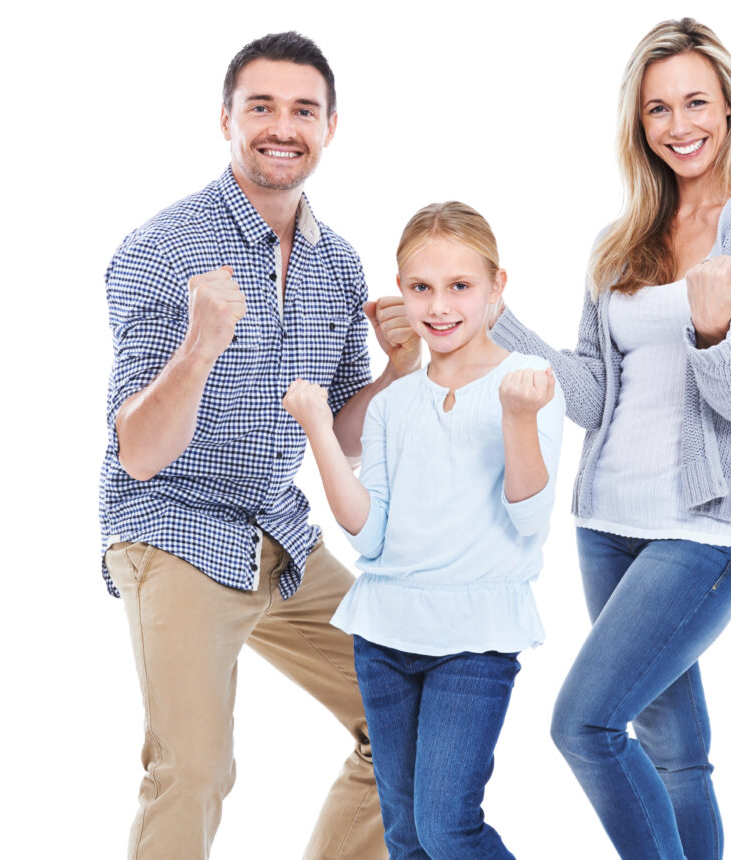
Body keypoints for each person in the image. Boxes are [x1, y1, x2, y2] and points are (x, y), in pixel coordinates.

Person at [489, 18, 731, 860]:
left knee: (585, 725)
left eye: (696, 102)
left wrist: (710, 331)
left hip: (705, 529)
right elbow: (594, 398)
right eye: (658, 110)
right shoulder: (624, 238)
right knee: (675, 753)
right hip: (609, 524)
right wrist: (499, 322)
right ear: (639, 125)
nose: (680, 126)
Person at [99, 32, 419, 860]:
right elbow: (138, 451)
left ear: (331, 126)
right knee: (196, 768)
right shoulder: (161, 248)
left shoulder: (336, 264)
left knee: (406, 715)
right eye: (262, 107)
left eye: (302, 110)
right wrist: (201, 344)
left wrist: (396, 370)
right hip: (175, 526)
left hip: (276, 533)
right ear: (226, 119)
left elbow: (344, 438)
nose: (283, 127)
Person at [283, 202, 565, 859]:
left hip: (472, 642)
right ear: (401, 292)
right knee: (406, 838)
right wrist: (321, 431)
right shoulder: (394, 404)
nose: (439, 307)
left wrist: (519, 418)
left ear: (498, 287)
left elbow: (529, 518)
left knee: (447, 828)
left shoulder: (525, 382)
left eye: (460, 286)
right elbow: (369, 536)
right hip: (383, 636)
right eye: (421, 288)